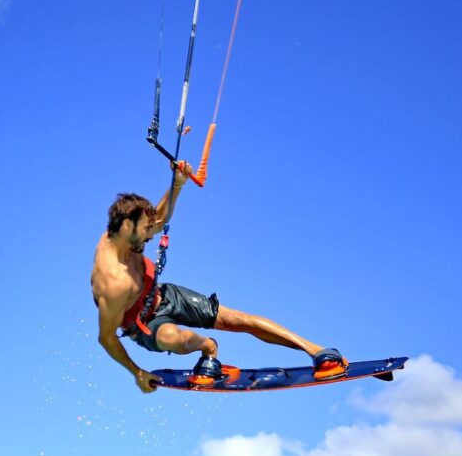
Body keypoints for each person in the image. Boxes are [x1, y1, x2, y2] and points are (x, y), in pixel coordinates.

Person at [91, 162, 346, 392]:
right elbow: (107, 337)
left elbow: (158, 218)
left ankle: (316, 350)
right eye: (147, 230)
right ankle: (208, 348)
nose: (152, 233)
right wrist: (137, 373)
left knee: (238, 319)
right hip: (146, 325)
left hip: (165, 295)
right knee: (173, 338)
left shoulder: (129, 235)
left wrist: (178, 183)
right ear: (126, 226)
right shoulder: (113, 281)